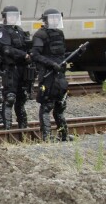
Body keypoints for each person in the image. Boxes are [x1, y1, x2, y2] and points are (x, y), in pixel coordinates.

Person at [30, 8, 70, 141]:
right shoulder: (40, 35)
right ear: (46, 20)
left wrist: (76, 54)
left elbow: (61, 55)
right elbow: (35, 55)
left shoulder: (59, 33)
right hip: (48, 74)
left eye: (56, 18)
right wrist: (51, 64)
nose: (55, 21)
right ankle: (47, 136)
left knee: (60, 105)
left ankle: (63, 135)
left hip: (60, 75)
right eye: (52, 18)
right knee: (47, 105)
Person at [0, 5, 33, 129]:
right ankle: (7, 128)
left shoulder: (20, 30)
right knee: (10, 98)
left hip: (23, 68)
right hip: (11, 68)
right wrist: (23, 54)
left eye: (15, 16)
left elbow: (27, 45)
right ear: (5, 17)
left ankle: (23, 127)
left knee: (22, 98)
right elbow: (6, 49)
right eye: (10, 16)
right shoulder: (2, 31)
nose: (13, 18)